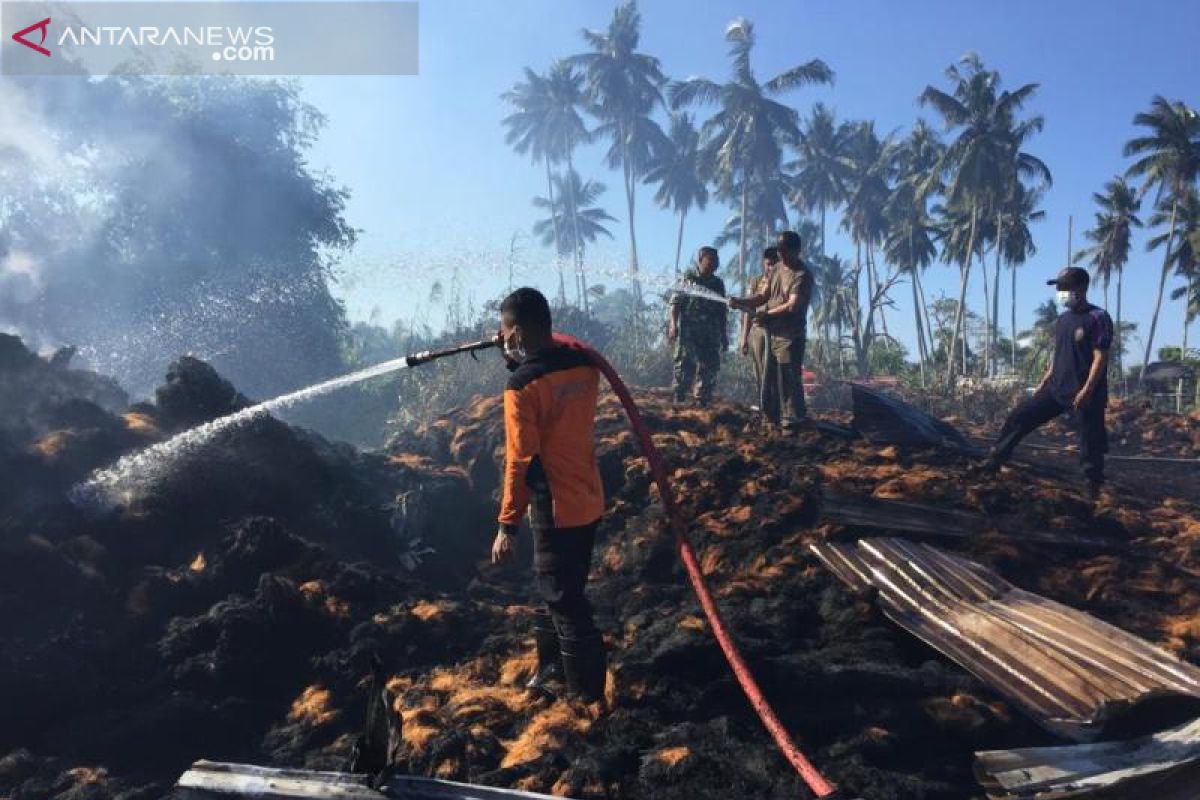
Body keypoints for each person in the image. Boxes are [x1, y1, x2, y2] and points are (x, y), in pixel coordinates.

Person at [489, 287, 607, 702]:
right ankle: (552, 669)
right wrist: (514, 354)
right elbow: (550, 372)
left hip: (554, 504)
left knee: (564, 599)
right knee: (556, 588)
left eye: (506, 332)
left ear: (517, 331)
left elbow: (520, 461)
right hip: (588, 496)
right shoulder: (583, 365)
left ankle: (586, 698)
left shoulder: (522, 387)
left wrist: (508, 524)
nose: (502, 338)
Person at [980, 267, 1114, 501]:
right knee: (1020, 416)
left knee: (1090, 441)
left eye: (1064, 288)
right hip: (1057, 388)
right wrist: (1047, 376)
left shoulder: (1098, 318)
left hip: (1084, 393)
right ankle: (995, 460)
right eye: (1059, 288)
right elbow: (1060, 352)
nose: (1060, 292)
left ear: (1081, 289)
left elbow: (1100, 357)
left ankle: (1091, 486)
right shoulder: (1063, 320)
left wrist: (1087, 389)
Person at [729, 231, 814, 433]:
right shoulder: (776, 268)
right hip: (772, 333)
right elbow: (762, 295)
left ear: (797, 251)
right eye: (780, 251)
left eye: (786, 252)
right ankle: (771, 419)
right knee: (768, 377)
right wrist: (741, 302)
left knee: (788, 377)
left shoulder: (802, 275)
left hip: (789, 336)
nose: (782, 256)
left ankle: (793, 420)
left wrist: (767, 314)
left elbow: (792, 305)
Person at [668, 247, 728, 406]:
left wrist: (724, 335)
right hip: (689, 331)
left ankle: (702, 399)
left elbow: (722, 312)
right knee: (685, 362)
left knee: (710, 365)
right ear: (701, 260)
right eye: (711, 260)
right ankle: (679, 395)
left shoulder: (718, 284)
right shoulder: (688, 278)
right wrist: (673, 325)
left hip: (711, 333)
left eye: (717, 260)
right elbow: (675, 304)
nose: (715, 263)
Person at [737, 247, 779, 411]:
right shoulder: (755, 282)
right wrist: (743, 337)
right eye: (768, 264)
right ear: (763, 264)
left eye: (774, 264)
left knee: (776, 372)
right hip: (758, 332)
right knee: (760, 371)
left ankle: (777, 407)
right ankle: (765, 406)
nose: (771, 268)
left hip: (777, 331)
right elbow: (748, 310)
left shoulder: (781, 283)